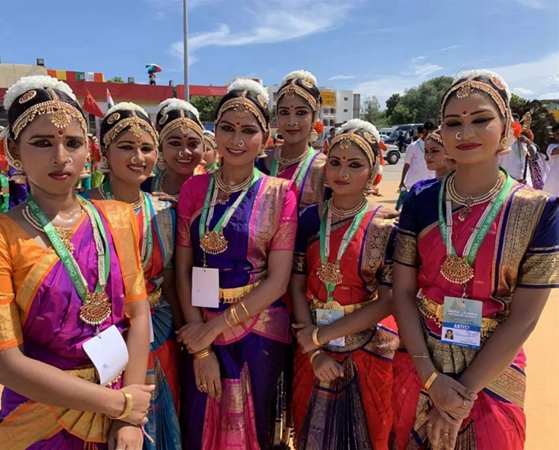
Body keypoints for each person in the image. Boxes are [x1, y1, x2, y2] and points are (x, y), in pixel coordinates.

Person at [0, 75, 153, 449]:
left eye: (73, 143)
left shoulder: (118, 217)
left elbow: (138, 315)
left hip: (120, 404)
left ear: (89, 150)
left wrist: (128, 417)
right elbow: (5, 364)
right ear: (14, 151)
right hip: (42, 415)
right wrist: (121, 405)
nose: (61, 157)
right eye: (42, 143)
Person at [392, 70, 559, 450]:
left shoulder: (537, 211)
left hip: (493, 370)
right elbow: (401, 292)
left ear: (506, 126)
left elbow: (524, 317)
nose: (465, 132)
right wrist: (432, 380)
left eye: (481, 119)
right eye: (453, 123)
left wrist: (459, 398)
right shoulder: (421, 200)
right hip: (421, 359)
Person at [175, 79, 298, 449]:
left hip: (257, 331)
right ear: (215, 132)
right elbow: (183, 269)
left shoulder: (280, 194)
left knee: (254, 430)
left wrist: (211, 331)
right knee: (199, 423)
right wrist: (201, 348)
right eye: (228, 128)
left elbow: (278, 281)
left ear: (266, 137)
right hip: (199, 322)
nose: (237, 140)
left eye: (248, 131)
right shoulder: (194, 189)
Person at [290, 119, 399, 450]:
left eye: (354, 165)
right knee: (309, 431)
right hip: (312, 345)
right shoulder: (309, 218)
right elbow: (296, 285)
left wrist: (319, 337)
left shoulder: (385, 226)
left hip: (367, 346)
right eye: (335, 162)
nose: (342, 172)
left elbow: (388, 300)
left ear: (373, 172)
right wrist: (314, 351)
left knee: (370, 434)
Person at [82, 101, 182, 449]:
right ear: (104, 153)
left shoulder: (165, 211)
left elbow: (170, 281)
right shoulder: (82, 210)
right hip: (101, 333)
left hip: (159, 329)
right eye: (126, 147)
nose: (138, 157)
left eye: (146, 148)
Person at [257, 70, 328, 209]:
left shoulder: (325, 169)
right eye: (284, 112)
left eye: (301, 113)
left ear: (314, 117)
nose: (291, 122)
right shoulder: (259, 162)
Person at [147, 99, 204, 204]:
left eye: (193, 144)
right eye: (175, 143)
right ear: (160, 147)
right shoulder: (143, 187)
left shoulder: (214, 189)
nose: (185, 151)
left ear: (203, 147)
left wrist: (180, 207)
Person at [498, 114, 534, 186]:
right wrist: (514, 180)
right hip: (507, 184)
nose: (515, 128)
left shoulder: (523, 141)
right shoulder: (502, 143)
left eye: (517, 125)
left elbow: (532, 156)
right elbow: (496, 168)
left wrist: (528, 143)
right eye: (512, 125)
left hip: (525, 183)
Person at [399, 124, 435, 191]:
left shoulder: (436, 147)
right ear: (424, 131)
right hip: (414, 184)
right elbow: (407, 164)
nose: (434, 135)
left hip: (430, 183)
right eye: (432, 133)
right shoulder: (413, 146)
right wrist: (402, 181)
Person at [543, 124, 559, 195]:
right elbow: (556, 151)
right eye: (558, 134)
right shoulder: (552, 146)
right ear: (555, 136)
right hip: (554, 186)